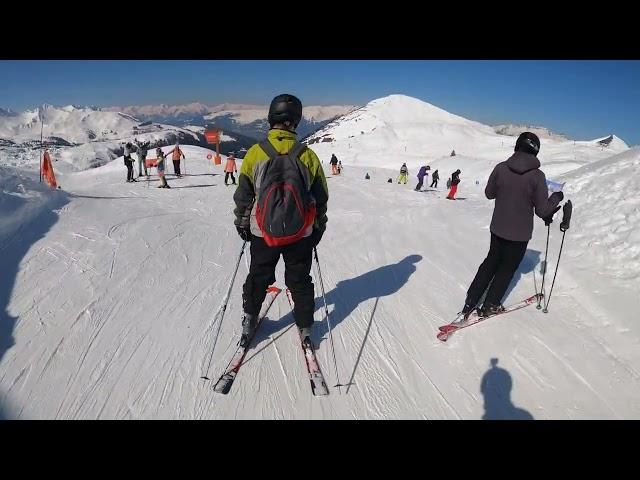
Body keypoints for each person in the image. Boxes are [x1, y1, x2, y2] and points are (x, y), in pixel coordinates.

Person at [233, 94, 328, 349]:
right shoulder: (308, 156)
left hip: (263, 232)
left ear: (270, 118)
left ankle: (249, 319)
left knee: (259, 275)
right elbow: (320, 197)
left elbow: (244, 195)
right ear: (296, 121)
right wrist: (318, 226)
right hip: (301, 232)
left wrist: (242, 222)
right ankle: (306, 326)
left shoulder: (255, 153)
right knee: (299, 279)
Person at [459, 132, 563, 320]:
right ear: (536, 151)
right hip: (519, 234)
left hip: (497, 226)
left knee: (491, 261)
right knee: (507, 268)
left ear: (517, 146)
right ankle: (490, 304)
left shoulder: (501, 167)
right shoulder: (537, 176)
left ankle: (471, 300)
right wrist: (557, 197)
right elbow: (542, 211)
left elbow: (489, 193)